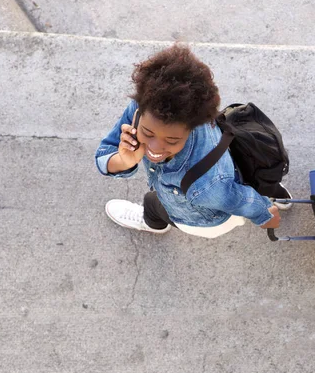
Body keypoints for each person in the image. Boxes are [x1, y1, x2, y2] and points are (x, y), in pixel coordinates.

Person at [94, 44, 291, 239]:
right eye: (147, 132)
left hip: (203, 220)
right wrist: (124, 161)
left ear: (192, 127)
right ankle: (273, 191)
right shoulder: (150, 106)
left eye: (171, 140)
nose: (153, 148)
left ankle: (152, 221)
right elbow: (105, 152)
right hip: (230, 169)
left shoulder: (205, 186)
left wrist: (264, 214)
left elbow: (241, 200)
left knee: (154, 203)